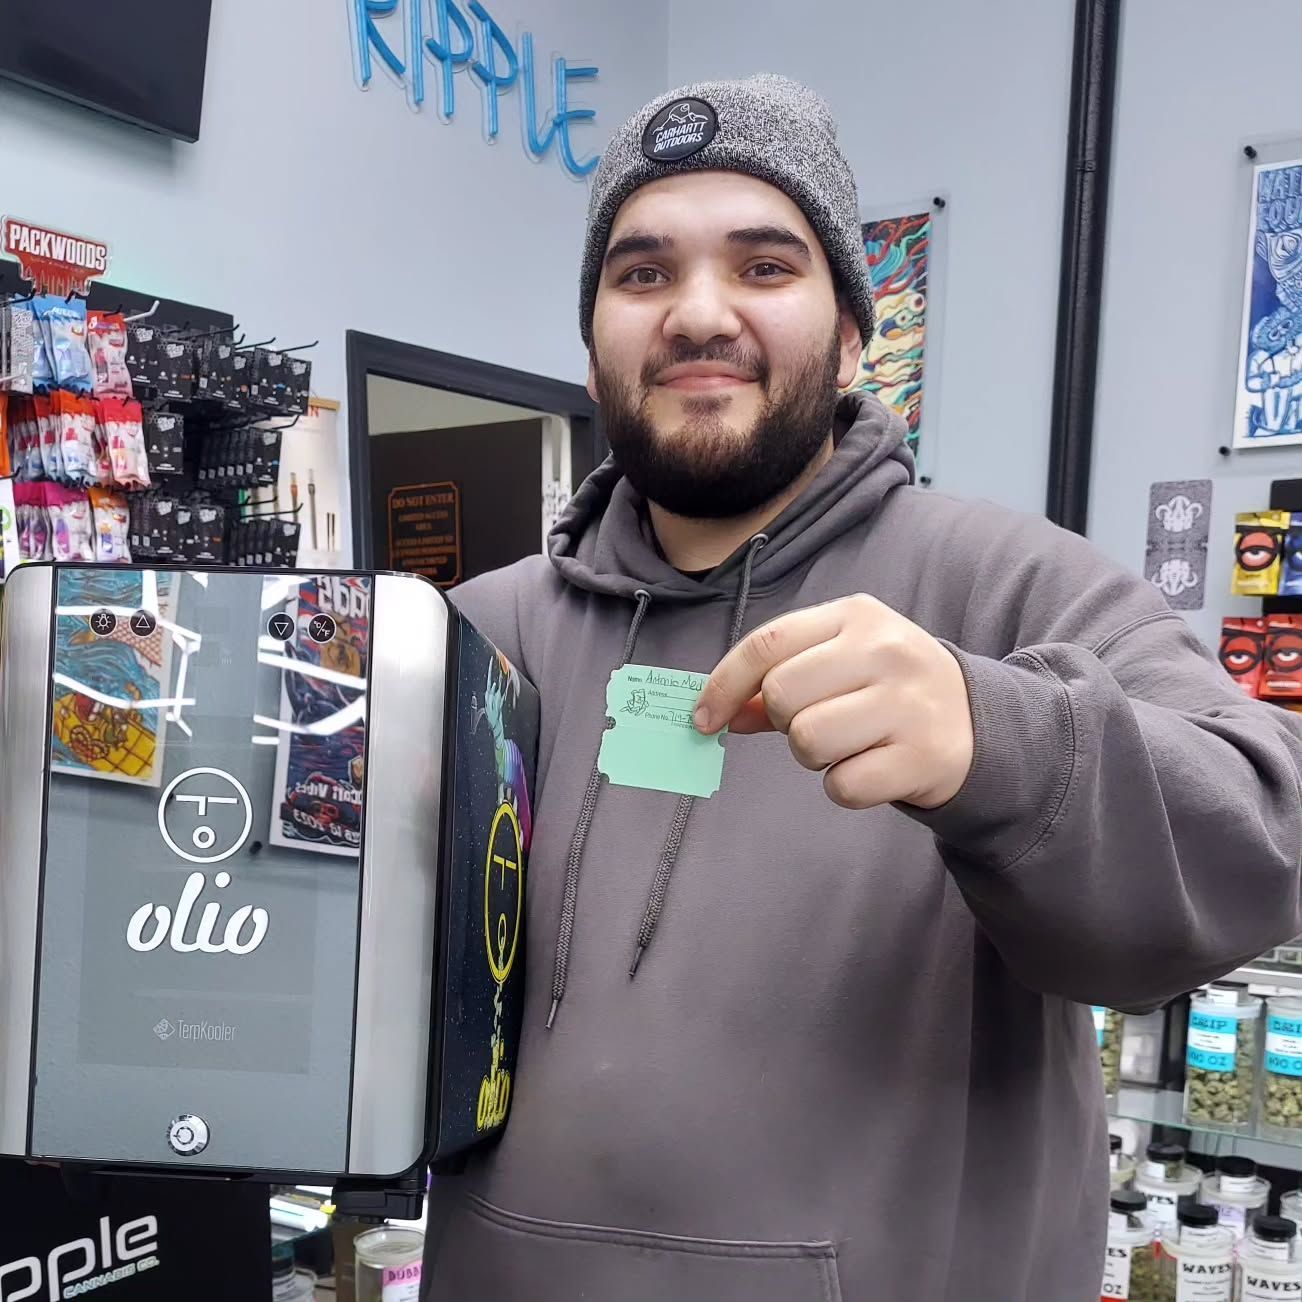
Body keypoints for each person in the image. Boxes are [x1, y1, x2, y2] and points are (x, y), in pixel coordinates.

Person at [423, 74, 1302, 1301]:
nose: (698, 314)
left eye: (764, 266)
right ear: (593, 340)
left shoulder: (1005, 584)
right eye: (643, 273)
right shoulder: (478, 635)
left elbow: (1263, 831)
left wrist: (1004, 745)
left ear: (849, 337)